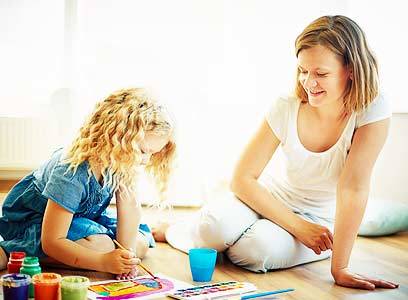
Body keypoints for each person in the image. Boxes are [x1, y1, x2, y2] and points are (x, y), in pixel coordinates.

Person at [153, 15, 398, 290]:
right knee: (214, 228)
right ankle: (177, 230)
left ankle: (217, 238)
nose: (309, 82)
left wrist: (340, 268)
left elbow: (353, 189)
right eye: (303, 71)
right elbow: (243, 179)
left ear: (351, 69)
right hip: (268, 200)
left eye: (321, 73)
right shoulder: (286, 105)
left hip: (319, 221)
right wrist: (296, 226)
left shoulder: (372, 108)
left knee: (256, 252)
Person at [0, 88, 176, 279]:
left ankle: (96, 252)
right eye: (142, 151)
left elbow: (130, 211)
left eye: (152, 153)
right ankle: (14, 251)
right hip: (36, 221)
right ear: (117, 139)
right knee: (103, 248)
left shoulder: (121, 160)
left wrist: (126, 259)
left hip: (81, 217)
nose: (146, 160)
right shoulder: (71, 170)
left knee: (138, 245)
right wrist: (103, 262)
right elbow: (52, 241)